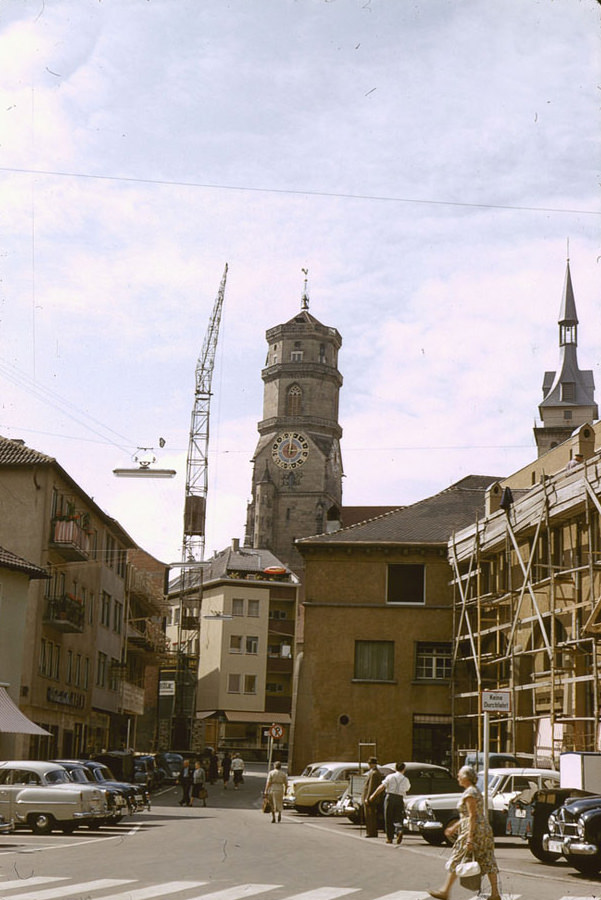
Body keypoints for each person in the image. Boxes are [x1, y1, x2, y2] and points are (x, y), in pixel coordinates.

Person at [428, 765, 501, 900]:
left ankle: (445, 891)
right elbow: (469, 816)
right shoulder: (475, 791)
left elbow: (472, 816)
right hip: (483, 830)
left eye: (460, 776)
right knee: (487, 859)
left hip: (474, 830)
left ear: (466, 778)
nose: (458, 778)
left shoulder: (469, 793)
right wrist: (454, 828)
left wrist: (469, 838)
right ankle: (495, 893)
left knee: (458, 858)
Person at [370, 761, 410, 844]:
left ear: (395, 768)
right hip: (399, 798)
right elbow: (407, 788)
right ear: (404, 769)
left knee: (388, 817)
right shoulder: (405, 779)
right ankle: (399, 830)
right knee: (399, 817)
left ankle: (389, 838)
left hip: (390, 797)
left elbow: (382, 786)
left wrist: (373, 795)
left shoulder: (390, 777)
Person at [361, 757, 383, 838]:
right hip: (371, 798)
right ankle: (371, 831)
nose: (369, 765)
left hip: (370, 798)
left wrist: (368, 798)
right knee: (370, 816)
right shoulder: (373, 772)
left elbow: (371, 787)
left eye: (370, 763)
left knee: (370, 816)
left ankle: (371, 832)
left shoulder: (374, 773)